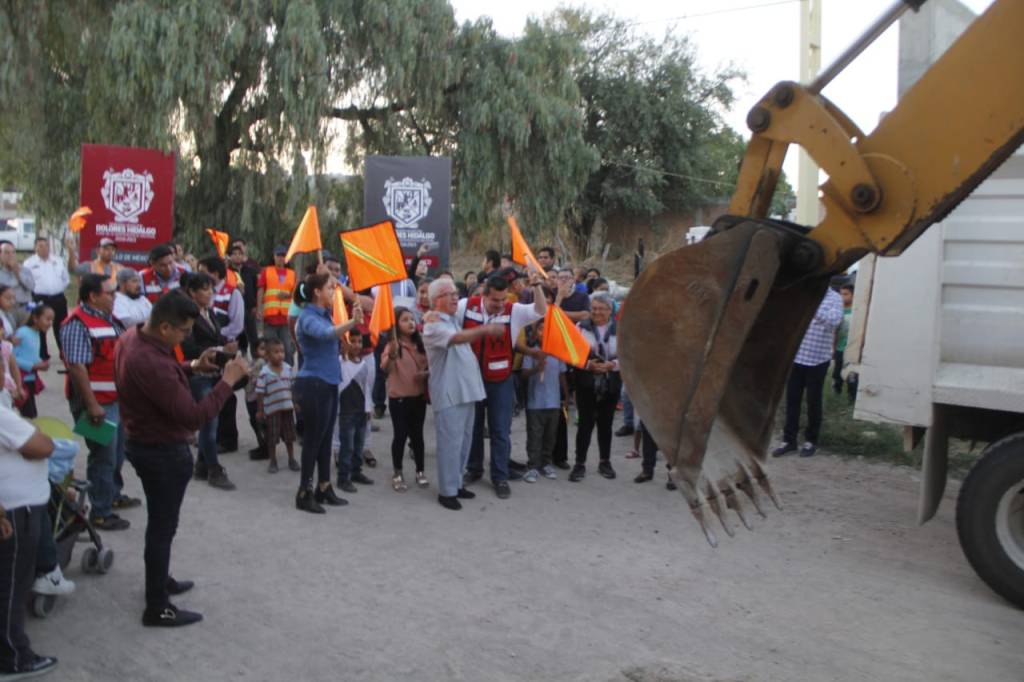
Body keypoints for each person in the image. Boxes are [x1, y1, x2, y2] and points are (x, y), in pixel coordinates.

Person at [114, 290, 249, 626]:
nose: (187, 337)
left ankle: (159, 581)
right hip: (161, 449)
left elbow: (164, 375)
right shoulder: (150, 361)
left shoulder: (133, 337)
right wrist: (228, 382)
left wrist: (190, 365)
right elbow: (193, 416)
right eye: (184, 331)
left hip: (144, 441)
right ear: (163, 328)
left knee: (161, 527)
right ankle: (157, 605)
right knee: (162, 527)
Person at [461, 272, 547, 499]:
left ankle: (500, 476)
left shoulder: (513, 310)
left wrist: (537, 285)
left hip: (501, 382)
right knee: (474, 428)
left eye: (503, 300)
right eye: (495, 300)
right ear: (484, 295)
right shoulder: (465, 306)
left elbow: (541, 311)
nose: (500, 304)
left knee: (500, 431)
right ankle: (474, 468)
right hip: (472, 379)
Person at [422, 278, 504, 510]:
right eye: (449, 294)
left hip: (466, 391)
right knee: (450, 444)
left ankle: (457, 483)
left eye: (456, 293)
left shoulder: (450, 318)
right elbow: (456, 339)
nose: (455, 297)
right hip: (449, 394)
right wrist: (485, 330)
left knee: (464, 442)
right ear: (437, 299)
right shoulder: (433, 325)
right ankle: (447, 492)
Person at [60, 273, 132, 530]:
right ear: (93, 296)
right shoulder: (76, 324)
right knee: (103, 455)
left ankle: (112, 495)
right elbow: (77, 367)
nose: (115, 297)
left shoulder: (111, 320)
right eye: (110, 293)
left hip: (115, 399)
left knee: (117, 452)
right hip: (95, 404)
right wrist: (91, 405)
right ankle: (100, 512)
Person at [292, 272, 363, 513]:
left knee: (324, 439)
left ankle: (324, 486)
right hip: (313, 384)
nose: (335, 293)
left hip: (329, 382)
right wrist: (352, 323)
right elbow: (323, 335)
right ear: (317, 293)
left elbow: (332, 338)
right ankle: (304, 491)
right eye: (330, 289)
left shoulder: (326, 315)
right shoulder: (307, 317)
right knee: (313, 440)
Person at [0, 404, 58, 677]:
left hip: (15, 509)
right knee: (11, 586)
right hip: (15, 511)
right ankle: (12, 658)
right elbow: (43, 446)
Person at [178, 272, 236, 491]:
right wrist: (218, 350)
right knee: (209, 422)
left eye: (211, 289)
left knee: (210, 421)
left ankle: (202, 465)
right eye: (205, 289)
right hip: (198, 373)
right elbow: (189, 348)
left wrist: (225, 347)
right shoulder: (187, 316)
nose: (210, 293)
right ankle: (213, 468)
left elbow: (215, 338)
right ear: (192, 292)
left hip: (213, 372)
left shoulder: (209, 312)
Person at [773, 287, 844, 458]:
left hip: (818, 359)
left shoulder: (834, 298)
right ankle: (789, 441)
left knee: (813, 402)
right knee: (792, 400)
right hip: (797, 357)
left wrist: (813, 307)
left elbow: (834, 321)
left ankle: (811, 441)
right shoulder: (804, 293)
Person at [569, 292, 622, 482]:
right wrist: (588, 365)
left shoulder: (621, 329)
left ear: (610, 311)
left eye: (601, 309)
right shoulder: (580, 327)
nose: (597, 312)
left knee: (606, 424)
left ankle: (605, 461)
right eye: (594, 308)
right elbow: (572, 353)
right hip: (586, 381)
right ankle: (579, 463)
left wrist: (612, 365)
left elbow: (627, 357)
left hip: (610, 381)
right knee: (585, 423)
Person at [199, 256, 245, 455]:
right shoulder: (202, 293)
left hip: (224, 349)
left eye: (203, 270)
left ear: (215, 273)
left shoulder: (232, 293)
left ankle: (228, 439)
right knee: (212, 394)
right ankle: (213, 436)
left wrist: (218, 337)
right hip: (209, 350)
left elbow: (237, 324)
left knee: (226, 393)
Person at [380, 307, 429, 492]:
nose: (410, 323)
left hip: (418, 397)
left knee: (418, 436)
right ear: (396, 325)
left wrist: (425, 374)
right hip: (399, 399)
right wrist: (392, 353)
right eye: (405, 320)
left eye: (412, 319)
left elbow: (431, 366)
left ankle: (420, 471)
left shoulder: (421, 343)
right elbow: (386, 369)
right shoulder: (393, 345)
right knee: (400, 435)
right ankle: (398, 473)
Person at [520, 318, 568, 483]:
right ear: (535, 332)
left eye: (548, 330)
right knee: (535, 435)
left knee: (550, 435)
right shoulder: (532, 352)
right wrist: (536, 368)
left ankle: (546, 463)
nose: (544, 333)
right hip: (535, 403)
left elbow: (562, 375)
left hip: (553, 402)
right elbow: (524, 374)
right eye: (541, 329)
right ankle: (532, 465)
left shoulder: (558, 352)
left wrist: (566, 396)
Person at [335, 333, 375, 493]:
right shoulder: (340, 362)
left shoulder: (363, 364)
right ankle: (343, 478)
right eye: (353, 341)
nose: (357, 345)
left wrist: (368, 409)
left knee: (358, 446)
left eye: (359, 342)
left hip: (360, 412)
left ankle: (356, 472)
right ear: (345, 343)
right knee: (347, 447)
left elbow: (366, 389)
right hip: (346, 412)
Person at [22, 236, 69, 361]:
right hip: (39, 298)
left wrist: (56, 289)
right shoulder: (29, 263)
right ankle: (42, 354)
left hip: (58, 298)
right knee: (40, 326)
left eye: (46, 245)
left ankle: (64, 353)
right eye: (40, 246)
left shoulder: (57, 260)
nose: (44, 248)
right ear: (35, 248)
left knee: (62, 326)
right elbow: (26, 283)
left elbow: (66, 279)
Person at [255, 337, 298, 473]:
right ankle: (273, 460)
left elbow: (292, 388)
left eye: (282, 351)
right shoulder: (264, 373)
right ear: (267, 356)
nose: (280, 355)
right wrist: (260, 411)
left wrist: (295, 403)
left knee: (289, 436)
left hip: (287, 409)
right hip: (272, 410)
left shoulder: (288, 369)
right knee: (272, 437)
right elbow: (260, 393)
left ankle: (291, 458)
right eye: (276, 352)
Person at [256, 246, 296, 361]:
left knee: (287, 349)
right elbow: (260, 290)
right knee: (270, 348)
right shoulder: (266, 271)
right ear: (273, 257)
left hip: (286, 317)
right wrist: (259, 309)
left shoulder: (292, 274)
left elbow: (297, 294)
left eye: (283, 255)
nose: (281, 258)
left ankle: (288, 373)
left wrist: (287, 296)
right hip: (270, 317)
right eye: (278, 255)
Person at [13, 305, 53, 419]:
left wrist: (42, 363)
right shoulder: (22, 332)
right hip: (21, 380)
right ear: (35, 318)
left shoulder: (36, 333)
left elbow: (31, 354)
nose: (50, 323)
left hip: (30, 379)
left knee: (32, 415)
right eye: (47, 319)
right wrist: (33, 366)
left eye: (52, 320)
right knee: (28, 416)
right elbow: (12, 357)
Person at [227, 244, 259, 356]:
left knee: (253, 335)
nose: (237, 256)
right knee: (238, 335)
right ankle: (239, 357)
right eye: (234, 254)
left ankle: (256, 358)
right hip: (234, 309)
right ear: (230, 256)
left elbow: (256, 288)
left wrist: (256, 305)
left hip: (249, 308)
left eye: (240, 254)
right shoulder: (227, 272)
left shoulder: (250, 271)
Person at [0, 240, 34, 324]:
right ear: (1, 255)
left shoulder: (25, 270)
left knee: (27, 334)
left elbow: (31, 287)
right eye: (6, 253)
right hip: (8, 310)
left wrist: (17, 273)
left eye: (13, 252)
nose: (10, 255)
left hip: (27, 307)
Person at [833, 283, 857, 399]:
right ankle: (836, 392)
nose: (842, 297)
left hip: (853, 349)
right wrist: (833, 347)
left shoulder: (857, 312)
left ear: (853, 295)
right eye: (840, 294)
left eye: (845, 294)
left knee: (851, 373)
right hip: (839, 347)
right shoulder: (837, 311)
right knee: (837, 372)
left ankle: (851, 396)